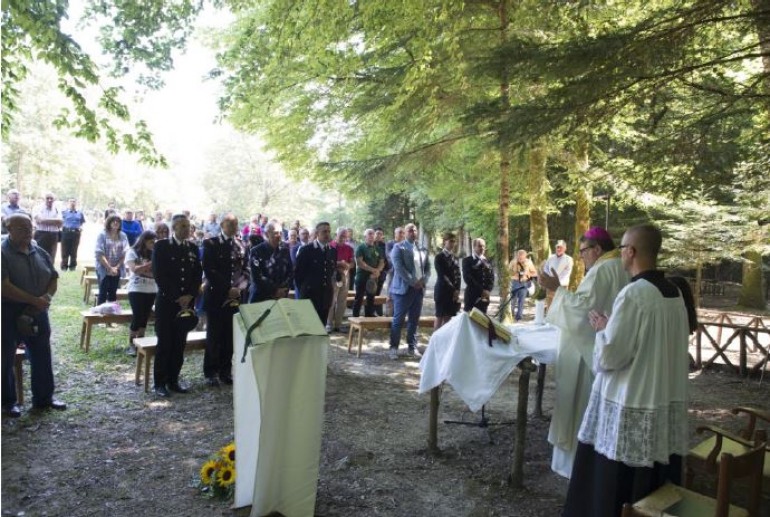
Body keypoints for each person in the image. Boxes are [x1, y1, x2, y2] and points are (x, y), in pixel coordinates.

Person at [562, 225, 691, 517]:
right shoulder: (674, 293)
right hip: (663, 397)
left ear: (631, 252)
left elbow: (610, 356)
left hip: (632, 399)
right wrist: (613, 328)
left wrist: (602, 330)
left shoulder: (633, 294)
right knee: (654, 478)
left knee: (615, 488)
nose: (619, 253)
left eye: (622, 248)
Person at [538, 226, 630, 479]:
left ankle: (574, 464)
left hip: (586, 351)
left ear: (598, 249)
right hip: (608, 347)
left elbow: (582, 311)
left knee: (580, 406)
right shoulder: (621, 267)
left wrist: (557, 289)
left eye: (583, 251)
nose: (581, 257)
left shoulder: (602, 269)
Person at [2, 212, 66, 417]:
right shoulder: (3, 252)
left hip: (38, 310)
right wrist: (33, 300)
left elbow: (53, 278)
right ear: (9, 229)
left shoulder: (39, 250)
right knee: (5, 357)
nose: (28, 232)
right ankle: (7, 402)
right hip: (9, 311)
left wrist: (45, 298)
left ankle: (44, 398)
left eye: (30, 228)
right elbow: (4, 286)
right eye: (22, 229)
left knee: (42, 353)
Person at [151, 213, 203, 397]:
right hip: (167, 303)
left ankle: (174, 380)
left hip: (187, 304)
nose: (187, 229)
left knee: (179, 344)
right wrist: (177, 296)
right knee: (165, 343)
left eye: (188, 226)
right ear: (174, 228)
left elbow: (197, 274)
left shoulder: (193, 248)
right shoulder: (162, 246)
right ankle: (159, 383)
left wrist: (190, 295)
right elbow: (159, 274)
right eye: (182, 226)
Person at [202, 213, 249, 387]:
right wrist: (227, 288)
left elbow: (246, 269)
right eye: (230, 223)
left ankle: (225, 371)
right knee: (214, 336)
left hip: (236, 296)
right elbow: (209, 269)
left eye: (236, 223)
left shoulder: (241, 244)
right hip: (216, 296)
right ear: (222, 224)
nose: (233, 226)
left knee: (230, 336)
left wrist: (240, 287)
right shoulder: (211, 243)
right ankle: (211, 372)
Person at [388, 223, 431, 359]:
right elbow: (399, 269)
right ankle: (393, 348)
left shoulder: (422, 249)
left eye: (415, 230)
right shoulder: (398, 248)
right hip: (403, 290)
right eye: (410, 230)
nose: (413, 232)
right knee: (398, 320)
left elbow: (428, 269)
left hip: (418, 291)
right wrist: (413, 282)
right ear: (405, 233)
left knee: (414, 319)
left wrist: (423, 281)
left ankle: (412, 347)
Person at [294, 221, 337, 324]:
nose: (327, 234)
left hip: (325, 297)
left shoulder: (332, 251)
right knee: (308, 327)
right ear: (317, 233)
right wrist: (304, 291)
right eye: (324, 231)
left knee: (321, 327)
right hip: (309, 296)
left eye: (329, 231)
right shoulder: (306, 250)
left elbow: (330, 272)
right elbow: (298, 275)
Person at [125, 230, 158, 356]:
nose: (153, 244)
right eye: (151, 241)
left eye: (155, 242)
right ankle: (132, 344)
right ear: (144, 241)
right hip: (136, 288)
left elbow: (156, 273)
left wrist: (144, 269)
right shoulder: (132, 252)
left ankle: (141, 342)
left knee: (145, 316)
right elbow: (135, 270)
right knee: (138, 315)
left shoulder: (155, 253)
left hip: (152, 289)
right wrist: (150, 264)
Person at [248, 222, 293, 303]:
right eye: (275, 233)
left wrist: (284, 288)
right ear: (266, 234)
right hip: (261, 297)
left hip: (281, 297)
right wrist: (275, 290)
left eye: (280, 233)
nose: (279, 235)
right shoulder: (256, 251)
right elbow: (257, 276)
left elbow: (290, 271)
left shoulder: (285, 250)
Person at [95, 214, 129, 305]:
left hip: (117, 268)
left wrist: (116, 267)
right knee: (103, 292)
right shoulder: (102, 234)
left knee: (113, 293)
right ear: (108, 223)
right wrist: (109, 268)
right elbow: (99, 253)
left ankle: (111, 315)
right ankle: (99, 316)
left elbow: (125, 252)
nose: (115, 223)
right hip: (103, 267)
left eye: (118, 221)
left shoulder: (123, 235)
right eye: (113, 221)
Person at [352, 228, 384, 318]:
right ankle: (355, 318)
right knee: (359, 298)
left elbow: (382, 262)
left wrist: (378, 271)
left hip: (373, 278)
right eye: (369, 233)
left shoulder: (378, 248)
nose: (372, 235)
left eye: (373, 234)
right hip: (362, 277)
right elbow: (360, 263)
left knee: (371, 298)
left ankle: (369, 317)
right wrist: (373, 270)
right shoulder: (360, 247)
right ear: (365, 236)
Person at [327, 227, 353, 333]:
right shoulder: (330, 246)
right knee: (331, 300)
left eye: (345, 236)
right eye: (341, 235)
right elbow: (327, 261)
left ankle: (338, 324)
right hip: (333, 275)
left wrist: (348, 265)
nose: (343, 238)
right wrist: (339, 263)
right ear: (336, 235)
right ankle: (328, 324)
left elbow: (352, 263)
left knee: (342, 301)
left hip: (345, 276)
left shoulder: (349, 248)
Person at [433, 232, 461, 329]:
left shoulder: (455, 257)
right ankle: (436, 341)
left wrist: (458, 290)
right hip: (442, 291)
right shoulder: (439, 257)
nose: (453, 244)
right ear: (445, 242)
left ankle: (445, 341)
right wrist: (454, 289)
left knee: (449, 319)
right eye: (451, 241)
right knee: (439, 317)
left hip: (453, 294)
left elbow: (458, 275)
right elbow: (442, 275)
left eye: (454, 241)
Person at [462, 238, 495, 314]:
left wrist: (488, 290)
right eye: (480, 246)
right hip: (472, 296)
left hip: (485, 296)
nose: (482, 248)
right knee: (469, 320)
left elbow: (491, 277)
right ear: (474, 247)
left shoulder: (487, 261)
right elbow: (467, 278)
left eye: (483, 246)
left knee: (482, 320)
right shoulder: (467, 260)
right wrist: (481, 290)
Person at [507, 249, 538, 321]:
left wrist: (528, 275)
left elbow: (535, 273)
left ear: (525, 256)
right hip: (514, 282)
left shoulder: (529, 262)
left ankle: (519, 317)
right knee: (513, 300)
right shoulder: (513, 262)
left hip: (524, 283)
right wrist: (514, 275)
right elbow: (508, 272)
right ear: (517, 256)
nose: (520, 259)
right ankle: (510, 315)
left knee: (521, 300)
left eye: (522, 257)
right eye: (519, 257)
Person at [542, 239, 574, 309]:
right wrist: (549, 278)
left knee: (560, 304)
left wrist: (557, 280)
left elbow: (566, 272)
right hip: (550, 284)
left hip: (562, 285)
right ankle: (549, 318)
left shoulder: (568, 259)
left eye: (561, 247)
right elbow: (546, 268)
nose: (559, 249)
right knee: (550, 304)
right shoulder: (551, 257)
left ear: (565, 248)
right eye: (557, 247)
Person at [33, 193, 63, 266]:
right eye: (47, 198)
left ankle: (50, 273)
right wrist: (54, 221)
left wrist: (44, 220)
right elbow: (39, 220)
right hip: (41, 234)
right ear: (44, 199)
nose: (49, 200)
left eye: (51, 198)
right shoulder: (37, 208)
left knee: (52, 255)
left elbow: (60, 222)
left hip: (54, 235)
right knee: (39, 254)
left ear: (54, 200)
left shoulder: (57, 209)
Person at [60, 198, 86, 271]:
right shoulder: (64, 212)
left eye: (74, 201)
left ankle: (72, 266)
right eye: (71, 201)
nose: (72, 203)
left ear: (76, 203)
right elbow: (60, 221)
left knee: (74, 250)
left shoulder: (80, 213)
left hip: (76, 233)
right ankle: (64, 266)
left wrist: (80, 227)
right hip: (66, 232)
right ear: (68, 203)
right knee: (64, 250)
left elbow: (82, 222)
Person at [384, 227, 405, 316]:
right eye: (400, 232)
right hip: (392, 272)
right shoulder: (390, 243)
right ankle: (389, 315)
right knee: (390, 293)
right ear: (395, 234)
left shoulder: (406, 244)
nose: (401, 234)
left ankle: (399, 315)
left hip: (403, 273)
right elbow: (390, 256)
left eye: (403, 233)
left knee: (402, 293)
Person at [373, 227, 389, 316]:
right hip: (370, 272)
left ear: (382, 236)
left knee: (378, 292)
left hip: (382, 272)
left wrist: (383, 270)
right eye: (377, 233)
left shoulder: (384, 246)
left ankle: (378, 311)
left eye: (380, 234)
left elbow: (387, 259)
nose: (378, 235)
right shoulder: (370, 244)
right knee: (371, 291)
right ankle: (371, 311)